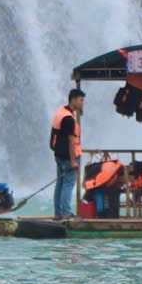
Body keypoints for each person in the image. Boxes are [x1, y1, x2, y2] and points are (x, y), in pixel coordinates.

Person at [49, 87, 85, 217]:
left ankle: (58, 213)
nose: (82, 103)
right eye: (81, 100)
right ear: (73, 100)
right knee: (68, 184)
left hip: (59, 155)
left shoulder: (61, 112)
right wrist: (74, 161)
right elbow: (71, 140)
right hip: (68, 157)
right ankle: (66, 213)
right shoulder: (69, 119)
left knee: (60, 183)